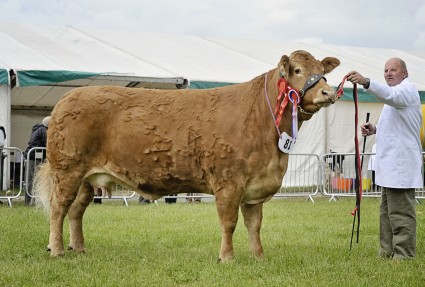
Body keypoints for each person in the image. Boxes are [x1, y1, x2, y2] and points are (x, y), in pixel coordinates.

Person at [347, 57, 423, 260]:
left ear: (404, 73)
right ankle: (387, 251)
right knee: (387, 212)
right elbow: (399, 128)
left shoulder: (406, 90)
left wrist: (366, 82)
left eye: (393, 70)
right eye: (386, 70)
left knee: (401, 213)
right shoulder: (395, 97)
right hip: (391, 165)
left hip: (400, 164)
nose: (389, 73)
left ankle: (404, 254)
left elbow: (391, 95)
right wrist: (375, 129)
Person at [23, 116, 51, 205]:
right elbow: (48, 142)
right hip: (35, 157)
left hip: (32, 156)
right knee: (34, 179)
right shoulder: (43, 130)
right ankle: (30, 201)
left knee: (31, 178)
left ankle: (30, 200)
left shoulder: (38, 129)